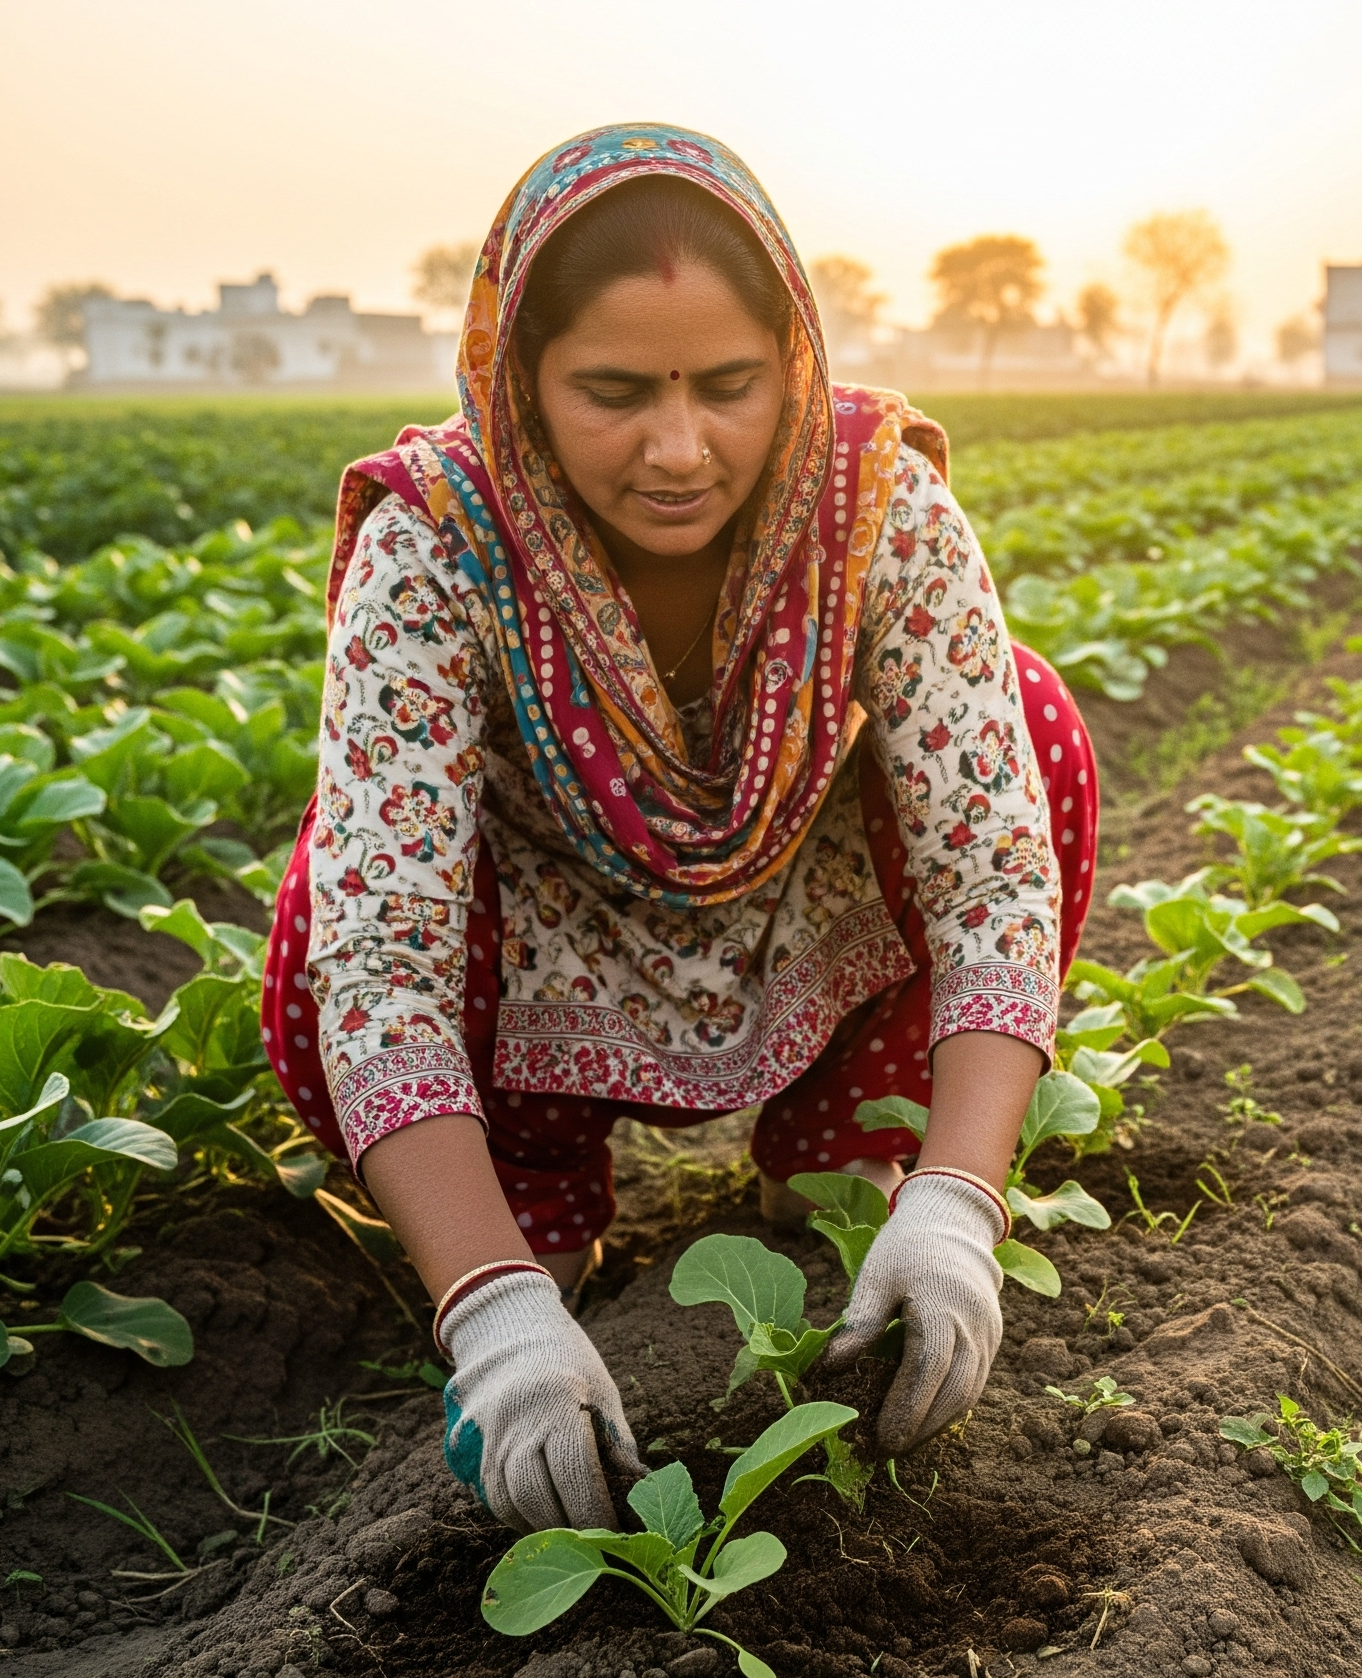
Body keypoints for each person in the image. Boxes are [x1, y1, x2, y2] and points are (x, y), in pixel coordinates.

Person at [261, 124, 1097, 1535]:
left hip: (799, 905)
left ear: (793, 361)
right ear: (519, 379)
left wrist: (962, 1195)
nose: (678, 450)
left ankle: (850, 1138)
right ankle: (525, 1204)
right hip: (545, 931)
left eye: (728, 387)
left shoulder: (878, 503)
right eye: (612, 393)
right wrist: (490, 1306)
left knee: (1036, 727)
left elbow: (993, 866)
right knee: (323, 916)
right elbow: (380, 955)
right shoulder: (436, 541)